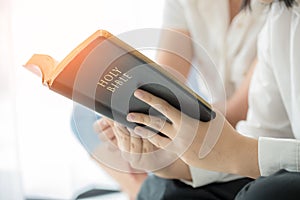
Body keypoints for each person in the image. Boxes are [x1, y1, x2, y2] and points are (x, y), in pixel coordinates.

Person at [106, 0, 300, 199]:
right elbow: (263, 134)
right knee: (169, 191)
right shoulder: (281, 16)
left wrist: (210, 145)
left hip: (225, 122)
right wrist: (172, 164)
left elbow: (240, 135)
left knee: (265, 193)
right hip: (226, 130)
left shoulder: (271, 16)